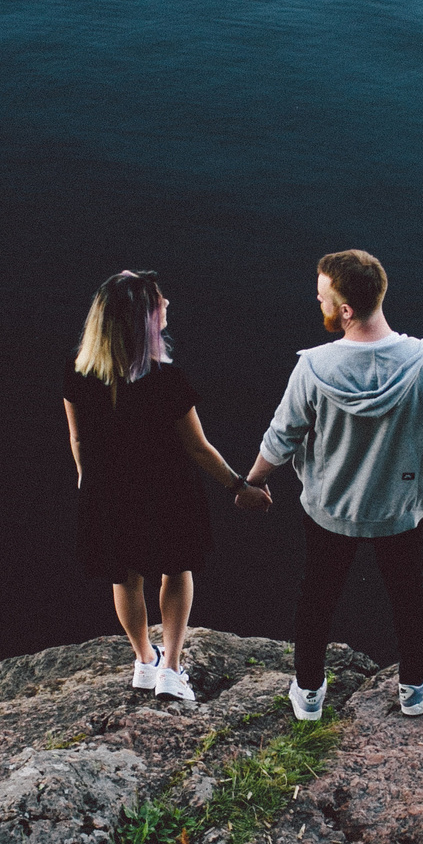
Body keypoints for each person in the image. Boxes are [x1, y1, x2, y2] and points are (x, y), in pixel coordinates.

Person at [244, 249, 423, 720]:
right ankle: (414, 685)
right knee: (409, 595)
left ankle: (308, 694)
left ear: (345, 310)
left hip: (329, 509)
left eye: (323, 296)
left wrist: (253, 482)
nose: (317, 301)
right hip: (399, 508)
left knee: (317, 595)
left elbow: (283, 435)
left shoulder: (314, 367)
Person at [63, 270, 271, 702]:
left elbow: (79, 437)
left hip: (108, 491)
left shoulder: (78, 373)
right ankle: (172, 671)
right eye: (160, 303)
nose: (168, 307)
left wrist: (86, 477)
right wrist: (240, 487)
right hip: (167, 492)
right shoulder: (167, 380)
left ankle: (144, 662)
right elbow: (198, 449)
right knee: (175, 572)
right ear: (142, 319)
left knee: (126, 577)